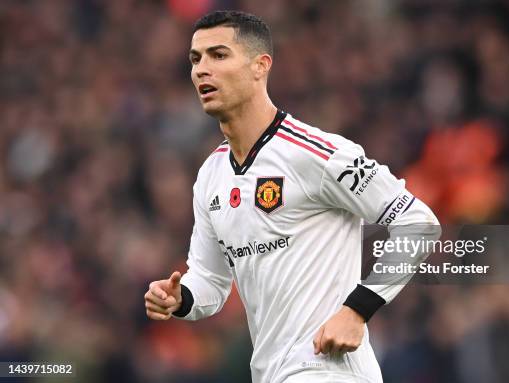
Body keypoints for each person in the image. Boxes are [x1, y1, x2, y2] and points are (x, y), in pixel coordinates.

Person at [144, 10, 439, 383]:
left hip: (327, 370)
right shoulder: (210, 177)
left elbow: (418, 224)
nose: (202, 69)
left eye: (218, 55)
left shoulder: (317, 153)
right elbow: (209, 280)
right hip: (273, 374)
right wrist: (179, 298)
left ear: (260, 66)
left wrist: (356, 311)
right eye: (196, 59)